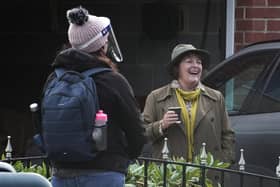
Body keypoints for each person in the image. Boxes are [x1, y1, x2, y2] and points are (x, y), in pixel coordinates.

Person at [43, 6, 146, 187]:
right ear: (102, 44)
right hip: (104, 173)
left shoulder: (54, 78)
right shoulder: (113, 81)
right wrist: (122, 157)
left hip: (61, 172)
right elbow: (136, 130)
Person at [143, 44, 235, 165]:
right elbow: (142, 133)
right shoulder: (156, 97)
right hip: (172, 175)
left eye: (199, 62)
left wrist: (223, 162)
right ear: (177, 68)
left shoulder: (216, 98)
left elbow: (227, 135)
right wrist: (161, 125)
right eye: (189, 61)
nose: (196, 66)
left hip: (207, 173)